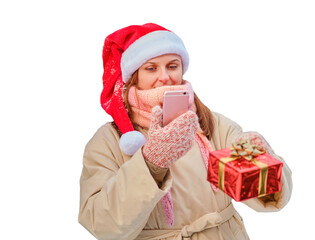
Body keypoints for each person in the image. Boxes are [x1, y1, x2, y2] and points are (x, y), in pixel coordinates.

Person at [78, 23, 292, 240]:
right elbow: (102, 225)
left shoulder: (212, 124)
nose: (164, 77)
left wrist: (257, 161)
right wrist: (151, 163)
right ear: (133, 76)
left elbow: (260, 193)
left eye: (172, 66)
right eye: (151, 68)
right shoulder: (110, 141)